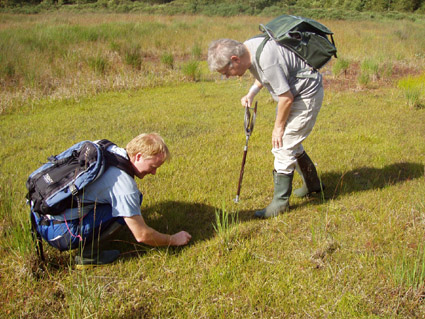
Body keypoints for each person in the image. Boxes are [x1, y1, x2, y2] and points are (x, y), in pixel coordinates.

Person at [32, 133, 192, 267]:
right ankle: (88, 256)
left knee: (131, 201)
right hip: (59, 233)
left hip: (38, 213)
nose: (154, 173)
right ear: (138, 156)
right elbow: (142, 235)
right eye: (153, 167)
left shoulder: (103, 147)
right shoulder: (125, 186)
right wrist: (173, 239)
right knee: (132, 202)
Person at [208, 38, 324, 218]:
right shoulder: (248, 49)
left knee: (283, 145)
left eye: (226, 72)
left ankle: (280, 204)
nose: (227, 76)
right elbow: (264, 75)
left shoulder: (266, 59)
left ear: (235, 59)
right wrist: (251, 93)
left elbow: (286, 98)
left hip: (306, 94)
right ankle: (312, 184)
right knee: (290, 142)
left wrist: (278, 128)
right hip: (294, 92)